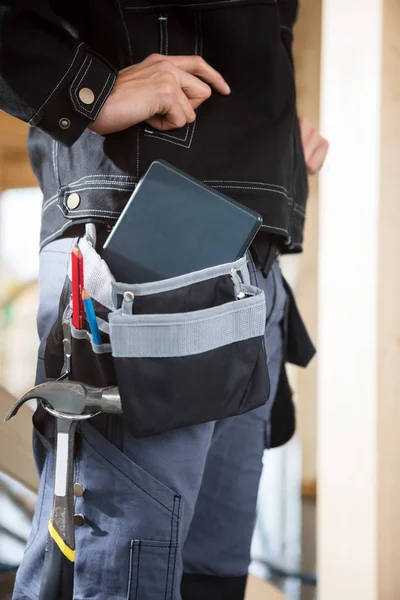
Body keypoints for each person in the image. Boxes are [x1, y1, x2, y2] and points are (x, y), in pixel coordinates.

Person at [0, 1, 328, 598]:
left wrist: (277, 142)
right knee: (121, 570)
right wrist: (89, 91)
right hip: (147, 242)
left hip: (247, 251)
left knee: (213, 575)